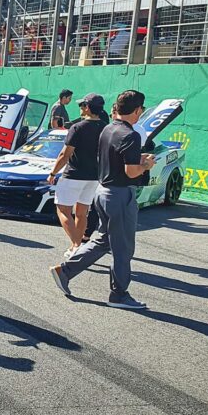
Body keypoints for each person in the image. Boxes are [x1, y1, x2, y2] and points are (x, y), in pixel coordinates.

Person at [51, 90, 156, 310]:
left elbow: (115, 159)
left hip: (103, 191)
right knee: (123, 248)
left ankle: (65, 270)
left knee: (103, 241)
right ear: (137, 110)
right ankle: (119, 295)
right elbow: (130, 171)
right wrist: (145, 164)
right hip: (119, 194)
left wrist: (137, 160)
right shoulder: (131, 134)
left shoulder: (109, 129)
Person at [47, 93, 105, 256]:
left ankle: (77, 245)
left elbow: (64, 155)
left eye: (81, 105)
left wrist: (53, 172)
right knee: (82, 212)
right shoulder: (104, 127)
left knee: (63, 210)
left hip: (73, 174)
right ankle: (75, 248)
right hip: (94, 176)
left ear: (87, 107)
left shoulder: (77, 127)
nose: (80, 108)